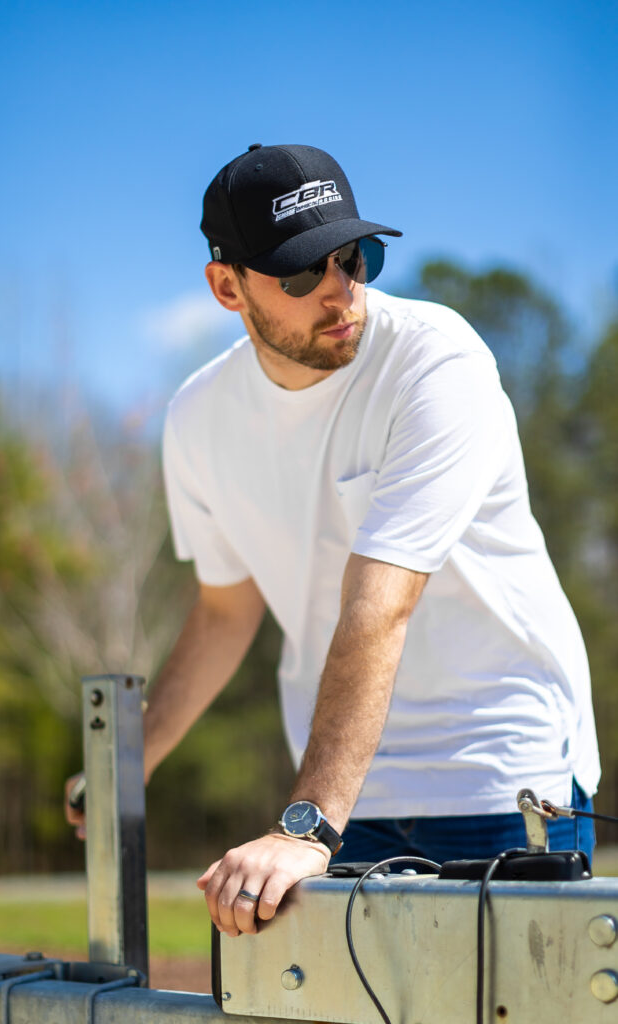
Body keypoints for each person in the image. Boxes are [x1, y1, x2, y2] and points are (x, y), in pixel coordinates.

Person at [65, 142, 600, 939]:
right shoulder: (197, 417)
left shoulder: (434, 362)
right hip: (355, 804)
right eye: (300, 272)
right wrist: (123, 771)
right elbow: (222, 614)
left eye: (354, 257)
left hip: (500, 778)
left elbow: (378, 605)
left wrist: (303, 827)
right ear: (226, 287)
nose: (339, 291)